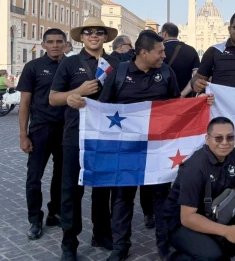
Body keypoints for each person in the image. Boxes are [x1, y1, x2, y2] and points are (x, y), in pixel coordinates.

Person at [98, 31, 184, 261]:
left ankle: (165, 246)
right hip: (126, 149)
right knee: (123, 198)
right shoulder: (120, 73)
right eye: (160, 51)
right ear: (143, 53)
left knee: (161, 198)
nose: (164, 56)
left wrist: (202, 103)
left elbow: (177, 106)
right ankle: (120, 247)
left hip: (158, 148)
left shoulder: (166, 72)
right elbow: (103, 108)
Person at [49, 17, 120, 261]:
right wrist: (74, 94)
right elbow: (53, 98)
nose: (93, 35)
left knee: (103, 189)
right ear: (81, 37)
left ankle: (101, 233)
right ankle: (69, 241)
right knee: (71, 190)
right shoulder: (70, 63)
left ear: (105, 36)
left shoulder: (116, 63)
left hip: (106, 135)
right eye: (88, 32)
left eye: (99, 31)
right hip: (75, 135)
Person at [164, 117, 235, 260]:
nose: (225, 143)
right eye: (218, 138)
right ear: (207, 139)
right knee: (212, 255)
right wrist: (226, 231)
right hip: (180, 222)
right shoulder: (194, 167)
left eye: (230, 137)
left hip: (214, 212)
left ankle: (220, 252)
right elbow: (187, 218)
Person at [17, 28, 67, 240]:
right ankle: (34, 219)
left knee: (62, 176)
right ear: (44, 45)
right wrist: (23, 135)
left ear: (65, 44)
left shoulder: (73, 66)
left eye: (59, 41)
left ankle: (55, 212)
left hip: (66, 130)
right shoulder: (33, 67)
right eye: (50, 42)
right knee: (33, 177)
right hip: (40, 129)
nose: (55, 45)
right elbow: (25, 102)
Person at [161, 22, 201, 98]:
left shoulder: (158, 50)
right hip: (185, 99)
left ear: (165, 34)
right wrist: (182, 95)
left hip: (162, 98)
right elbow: (196, 76)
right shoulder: (191, 50)